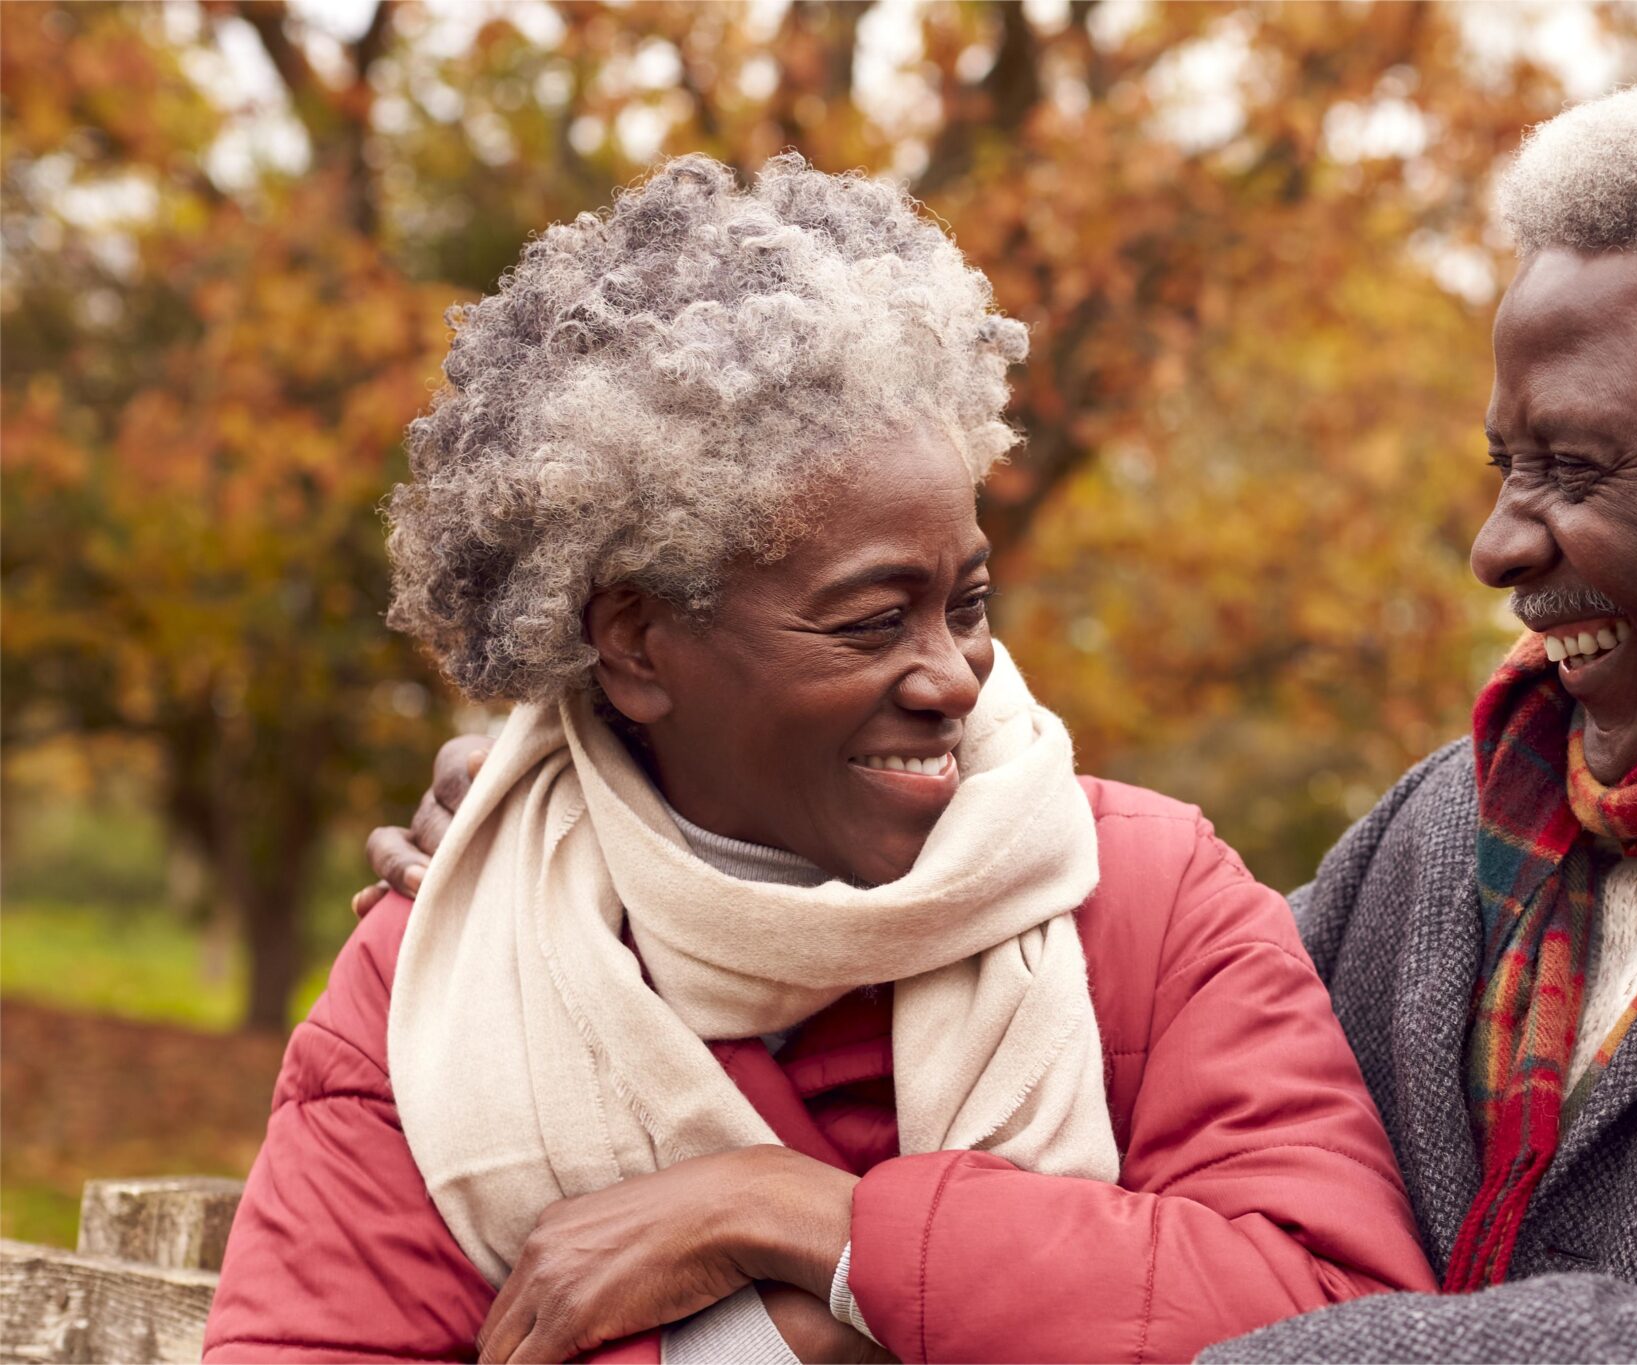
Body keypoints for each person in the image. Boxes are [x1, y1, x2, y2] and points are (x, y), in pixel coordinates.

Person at [370, 79, 1637, 1363]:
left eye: (1573, 468)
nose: (1495, 542)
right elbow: (1104, 1016)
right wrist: (616, 852)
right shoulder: (1460, 823)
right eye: (1497, 460)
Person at [205, 153, 1432, 1365]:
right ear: (635, 643)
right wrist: (780, 1346)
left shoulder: (1151, 899)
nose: (954, 677)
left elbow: (1341, 1321)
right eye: (868, 620)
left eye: (966, 601)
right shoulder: (452, 962)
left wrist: (805, 1224)